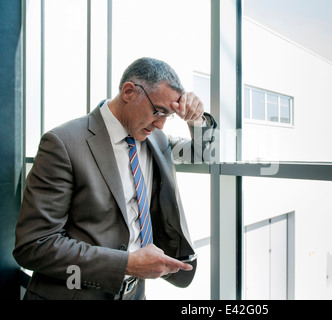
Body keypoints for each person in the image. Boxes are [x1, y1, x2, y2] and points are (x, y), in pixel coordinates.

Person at [13, 57, 216, 300]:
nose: (161, 125)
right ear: (129, 91)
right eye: (158, 111)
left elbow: (205, 154)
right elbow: (34, 245)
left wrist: (197, 120)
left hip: (134, 293)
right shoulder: (63, 143)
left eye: (168, 116)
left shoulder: (155, 140)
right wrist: (127, 264)